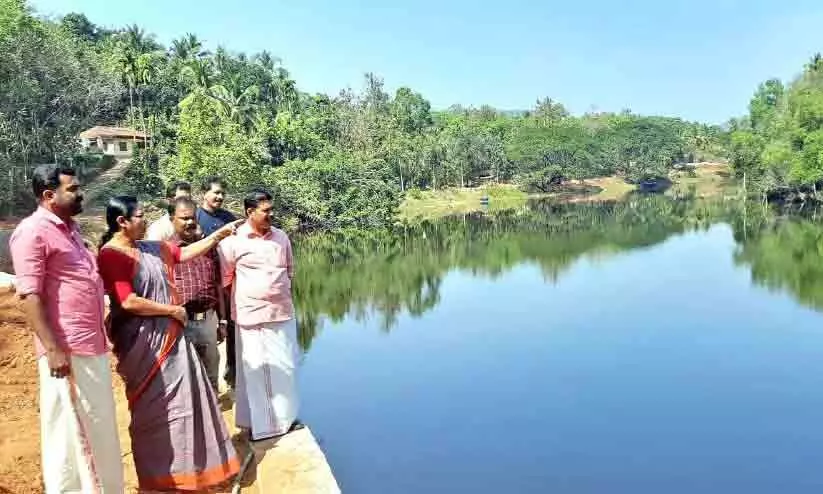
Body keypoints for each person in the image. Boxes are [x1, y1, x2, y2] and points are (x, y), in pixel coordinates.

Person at [98, 195, 242, 491]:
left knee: (185, 407)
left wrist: (219, 234)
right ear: (121, 222)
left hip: (172, 339)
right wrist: (172, 310)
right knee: (155, 411)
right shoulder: (113, 255)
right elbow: (127, 301)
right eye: (139, 216)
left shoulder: (149, 248)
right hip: (145, 346)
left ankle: (189, 472)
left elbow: (185, 254)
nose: (145, 220)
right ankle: (160, 476)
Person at [10, 164, 124, 493]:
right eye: (72, 189)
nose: (80, 193)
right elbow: (29, 296)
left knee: (98, 428)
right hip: (67, 352)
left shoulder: (71, 230)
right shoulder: (32, 232)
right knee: (69, 435)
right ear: (49, 195)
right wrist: (53, 349)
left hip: (90, 346)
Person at [219, 188, 302, 441]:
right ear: (249, 212)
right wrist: (224, 318)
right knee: (256, 372)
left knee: (285, 367)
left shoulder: (281, 238)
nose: (271, 214)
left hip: (282, 313)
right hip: (251, 316)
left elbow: (289, 270)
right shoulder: (232, 242)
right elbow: (224, 280)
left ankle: (286, 419)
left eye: (271, 209)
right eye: (265, 211)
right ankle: (262, 427)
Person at [171, 196, 228, 391]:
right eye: (183, 218)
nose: (189, 222)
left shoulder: (208, 248)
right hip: (181, 323)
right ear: (172, 219)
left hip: (208, 321)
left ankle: (213, 417)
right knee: (185, 376)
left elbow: (217, 285)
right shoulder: (165, 251)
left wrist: (222, 321)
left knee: (211, 374)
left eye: (192, 218)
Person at [196, 176, 238, 388]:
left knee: (230, 326)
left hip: (227, 282)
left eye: (222, 193)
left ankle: (232, 374)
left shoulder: (228, 218)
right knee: (205, 326)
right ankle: (203, 379)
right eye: (216, 192)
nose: (220, 197)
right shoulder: (195, 218)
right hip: (205, 283)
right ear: (205, 193)